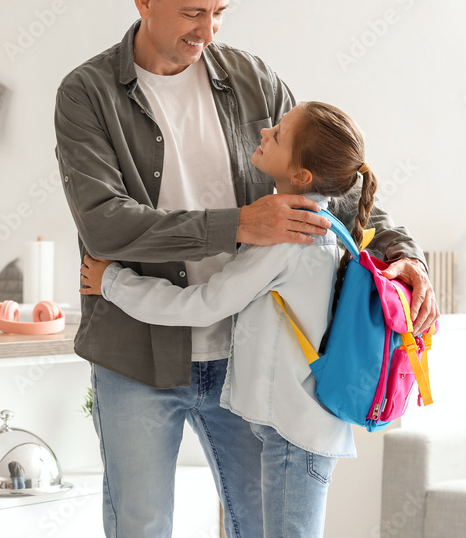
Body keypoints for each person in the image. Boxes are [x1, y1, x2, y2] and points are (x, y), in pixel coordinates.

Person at [54, 0, 439, 538]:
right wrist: (237, 225)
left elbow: (333, 186)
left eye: (218, 13)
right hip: (136, 355)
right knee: (141, 525)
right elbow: (104, 223)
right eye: (191, 13)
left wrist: (402, 252)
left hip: (247, 356)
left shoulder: (253, 79)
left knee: (258, 526)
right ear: (143, 0)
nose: (207, 32)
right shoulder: (87, 94)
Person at [80, 101, 381, 537]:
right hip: (308, 429)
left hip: (294, 437)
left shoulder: (285, 239)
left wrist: (111, 282)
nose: (263, 133)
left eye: (277, 135)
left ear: (302, 177)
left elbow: (201, 305)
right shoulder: (325, 226)